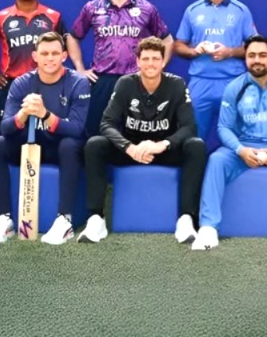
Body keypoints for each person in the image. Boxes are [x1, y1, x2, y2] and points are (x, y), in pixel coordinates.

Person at [191, 35, 267, 250]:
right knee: (217, 160)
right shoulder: (234, 87)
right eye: (252, 55)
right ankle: (209, 227)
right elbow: (223, 128)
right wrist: (240, 150)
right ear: (246, 59)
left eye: (262, 55)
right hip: (245, 148)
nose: (257, 60)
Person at [80, 37, 207, 244]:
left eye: (155, 58)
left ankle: (187, 218)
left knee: (196, 146)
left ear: (163, 61)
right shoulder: (125, 83)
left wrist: (161, 145)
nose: (150, 63)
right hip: (132, 150)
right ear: (137, 61)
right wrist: (128, 147)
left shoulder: (176, 84)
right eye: (146, 58)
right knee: (95, 144)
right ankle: (96, 218)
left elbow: (189, 127)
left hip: (163, 150)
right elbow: (107, 123)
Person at [0, 33, 90, 244]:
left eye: (55, 53)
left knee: (70, 145)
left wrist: (45, 115)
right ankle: (4, 219)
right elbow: (5, 128)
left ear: (64, 56)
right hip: (31, 145)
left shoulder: (79, 82)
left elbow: (77, 129)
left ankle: (64, 220)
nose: (50, 58)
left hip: (62, 148)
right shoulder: (22, 83)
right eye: (44, 53)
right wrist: (23, 114)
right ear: (35, 56)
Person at [68, 0, 171, 137]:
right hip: (102, 80)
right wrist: (80, 69)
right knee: (98, 133)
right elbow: (72, 37)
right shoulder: (93, 7)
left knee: (136, 134)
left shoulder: (146, 8)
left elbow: (167, 40)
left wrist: (158, 67)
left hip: (136, 80)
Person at [174, 0, 258, 151]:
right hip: (200, 83)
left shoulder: (241, 10)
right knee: (193, 139)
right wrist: (195, 50)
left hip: (232, 82)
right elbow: (178, 46)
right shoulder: (192, 10)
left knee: (235, 139)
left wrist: (230, 52)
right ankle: (195, 171)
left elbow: (255, 47)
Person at [0, 0, 65, 128]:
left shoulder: (53, 17)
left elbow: (65, 48)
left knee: (46, 132)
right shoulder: (0, 18)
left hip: (46, 84)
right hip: (11, 85)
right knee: (7, 132)